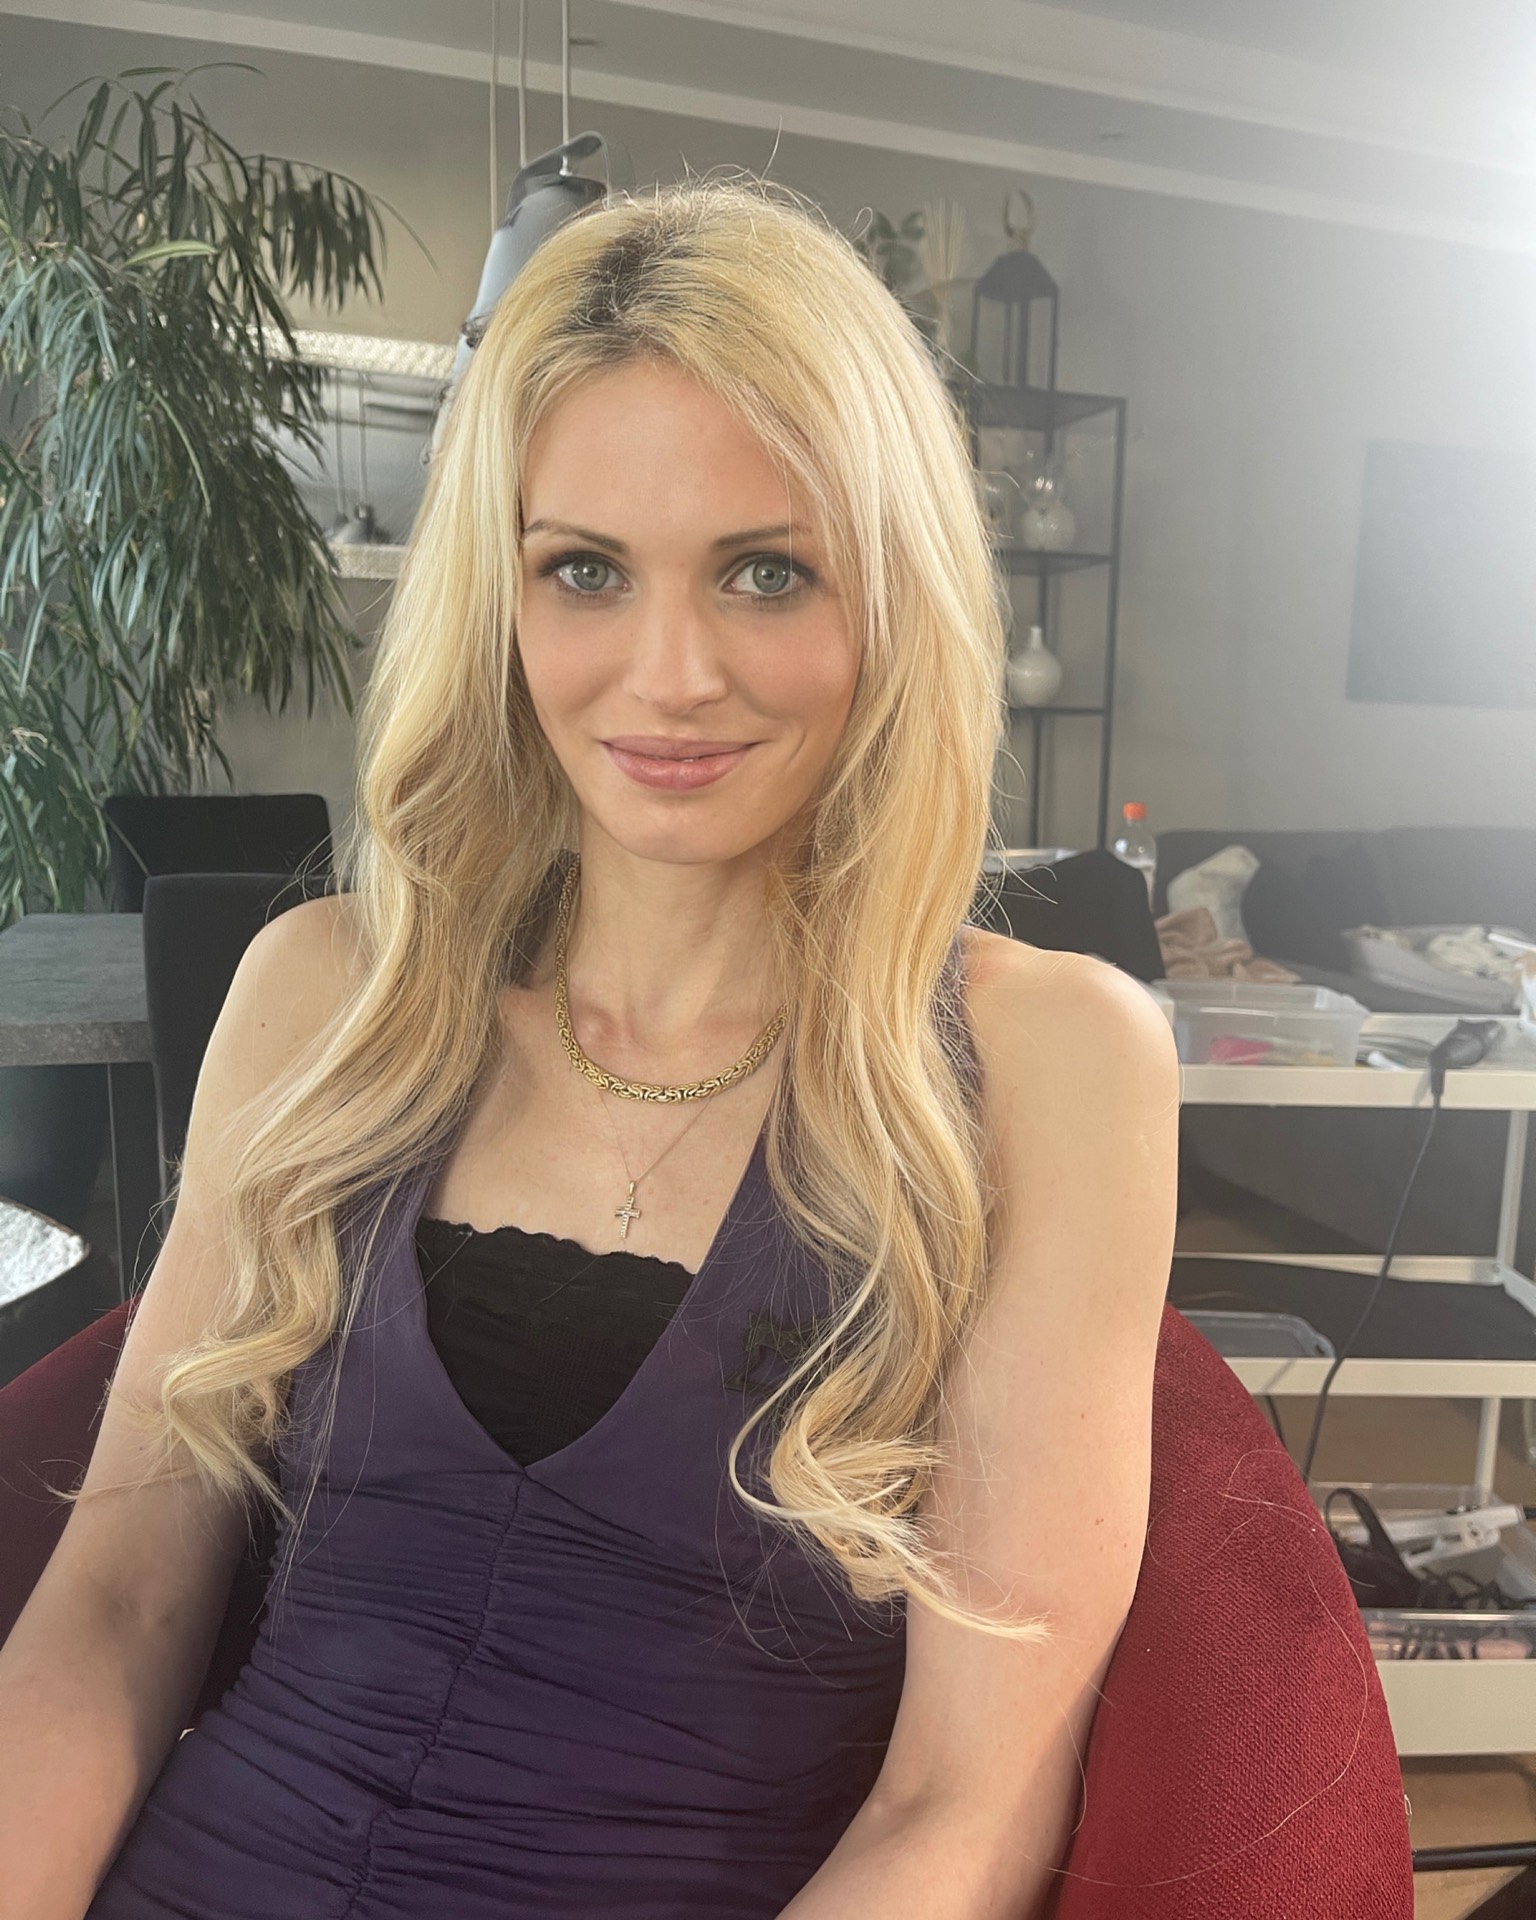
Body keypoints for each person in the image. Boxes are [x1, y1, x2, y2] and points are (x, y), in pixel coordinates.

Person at [0, 178, 1179, 1920]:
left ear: (896, 594)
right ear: (503, 599)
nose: (670, 673)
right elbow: (108, 1617)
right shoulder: (326, 994)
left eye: (767, 571)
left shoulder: (1049, 1062)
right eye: (585, 572)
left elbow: (966, 1806)